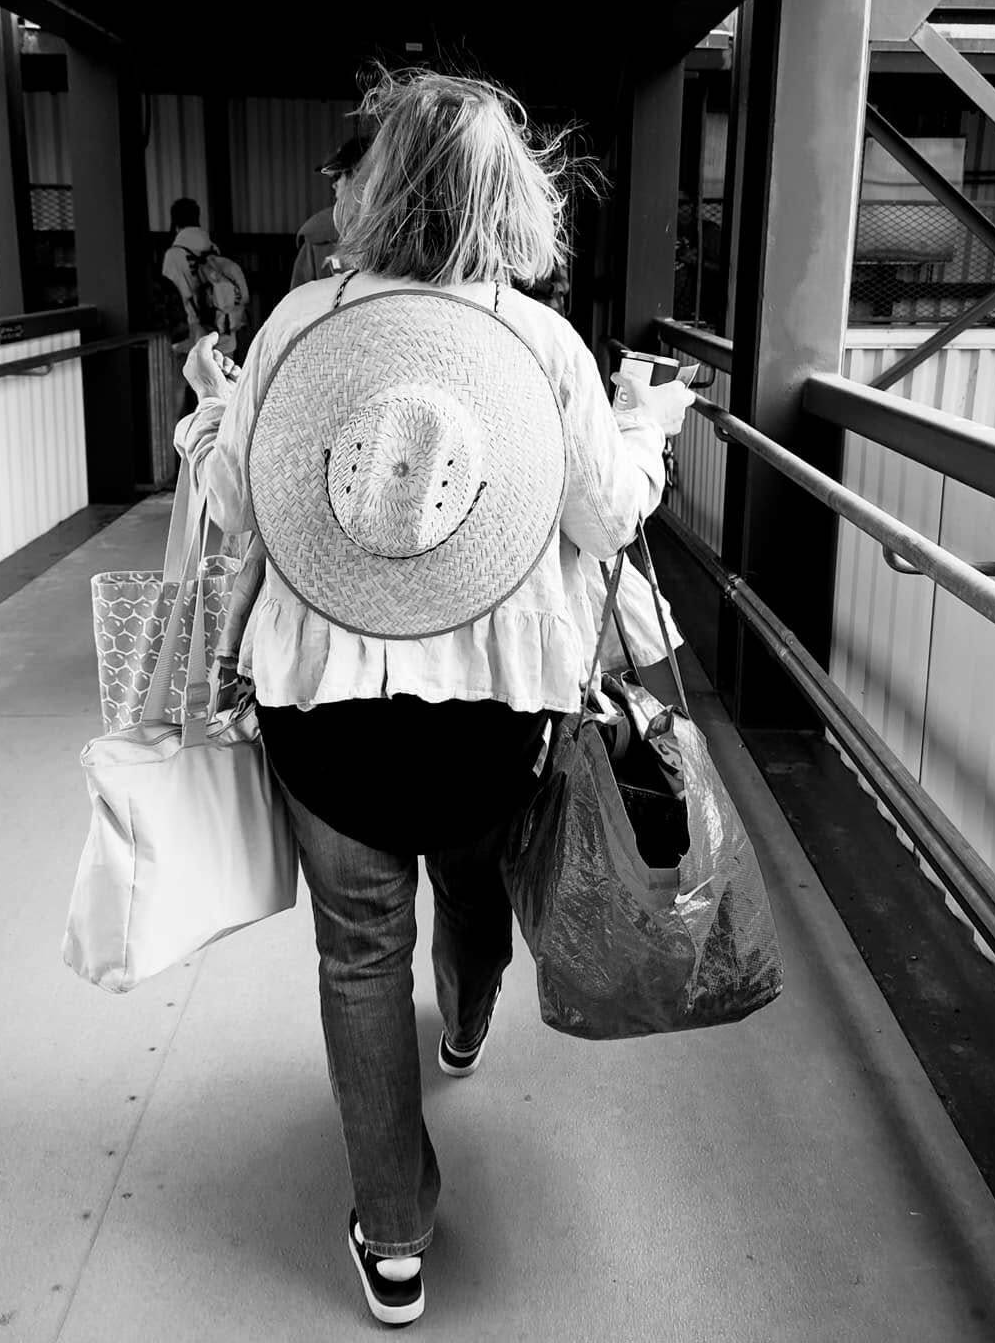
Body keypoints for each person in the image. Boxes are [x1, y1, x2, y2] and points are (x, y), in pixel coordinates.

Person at [174, 69, 694, 1329]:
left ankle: (394, 1238)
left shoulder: (298, 324)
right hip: (493, 714)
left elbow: (241, 500)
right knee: (469, 879)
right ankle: (463, 1021)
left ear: (373, 189)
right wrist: (650, 422)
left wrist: (205, 416)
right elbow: (605, 512)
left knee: (357, 953)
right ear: (510, 200)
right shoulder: (542, 345)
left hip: (323, 708)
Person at [159, 196, 250, 353]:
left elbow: (172, 299)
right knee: (227, 376)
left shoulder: (173, 256)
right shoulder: (213, 249)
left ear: (175, 223)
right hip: (224, 332)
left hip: (194, 338)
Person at [290, 135, 367, 291]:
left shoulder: (401, 232)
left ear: (359, 175)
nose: (334, 185)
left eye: (338, 176)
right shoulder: (318, 236)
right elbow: (298, 303)